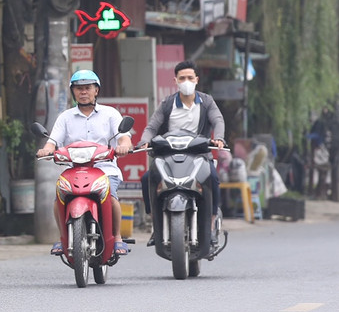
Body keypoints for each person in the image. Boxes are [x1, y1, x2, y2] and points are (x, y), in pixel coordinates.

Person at [37, 69, 133, 257]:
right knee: (59, 199)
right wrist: (46, 149)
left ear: (96, 90)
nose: (83, 92)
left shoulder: (110, 114)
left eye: (87, 88)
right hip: (74, 169)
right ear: (73, 91)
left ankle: (118, 237)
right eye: (79, 88)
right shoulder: (65, 117)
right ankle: (62, 237)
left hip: (105, 169)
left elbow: (124, 138)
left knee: (111, 196)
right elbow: (52, 141)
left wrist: (124, 146)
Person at [139, 59, 225, 245]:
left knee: (213, 178)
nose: (186, 81)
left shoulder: (207, 102)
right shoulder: (167, 104)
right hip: (169, 156)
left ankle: (210, 224)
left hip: (199, 156)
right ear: (175, 81)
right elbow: (152, 127)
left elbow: (218, 121)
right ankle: (155, 223)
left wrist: (218, 138)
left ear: (196, 80)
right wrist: (145, 141)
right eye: (182, 78)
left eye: (189, 77)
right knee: (148, 179)